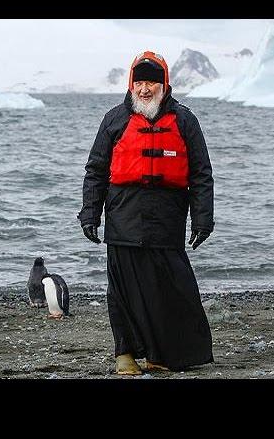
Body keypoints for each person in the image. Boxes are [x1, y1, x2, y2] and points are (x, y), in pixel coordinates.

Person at [78, 51, 215, 374]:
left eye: (151, 82)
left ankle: (160, 354)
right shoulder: (114, 119)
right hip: (123, 219)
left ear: (164, 85)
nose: (144, 89)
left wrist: (203, 218)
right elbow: (95, 171)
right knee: (123, 291)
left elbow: (201, 173)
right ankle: (125, 355)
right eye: (139, 82)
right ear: (130, 84)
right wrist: (89, 214)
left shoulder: (185, 121)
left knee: (171, 290)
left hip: (167, 221)